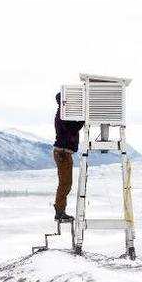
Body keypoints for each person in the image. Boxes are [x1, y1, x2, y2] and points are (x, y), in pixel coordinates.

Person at [53, 92, 84, 221]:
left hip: (63, 152)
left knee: (65, 183)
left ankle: (60, 211)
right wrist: (83, 119)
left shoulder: (62, 113)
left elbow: (73, 127)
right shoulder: (63, 114)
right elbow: (74, 127)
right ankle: (60, 211)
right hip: (63, 153)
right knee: (65, 183)